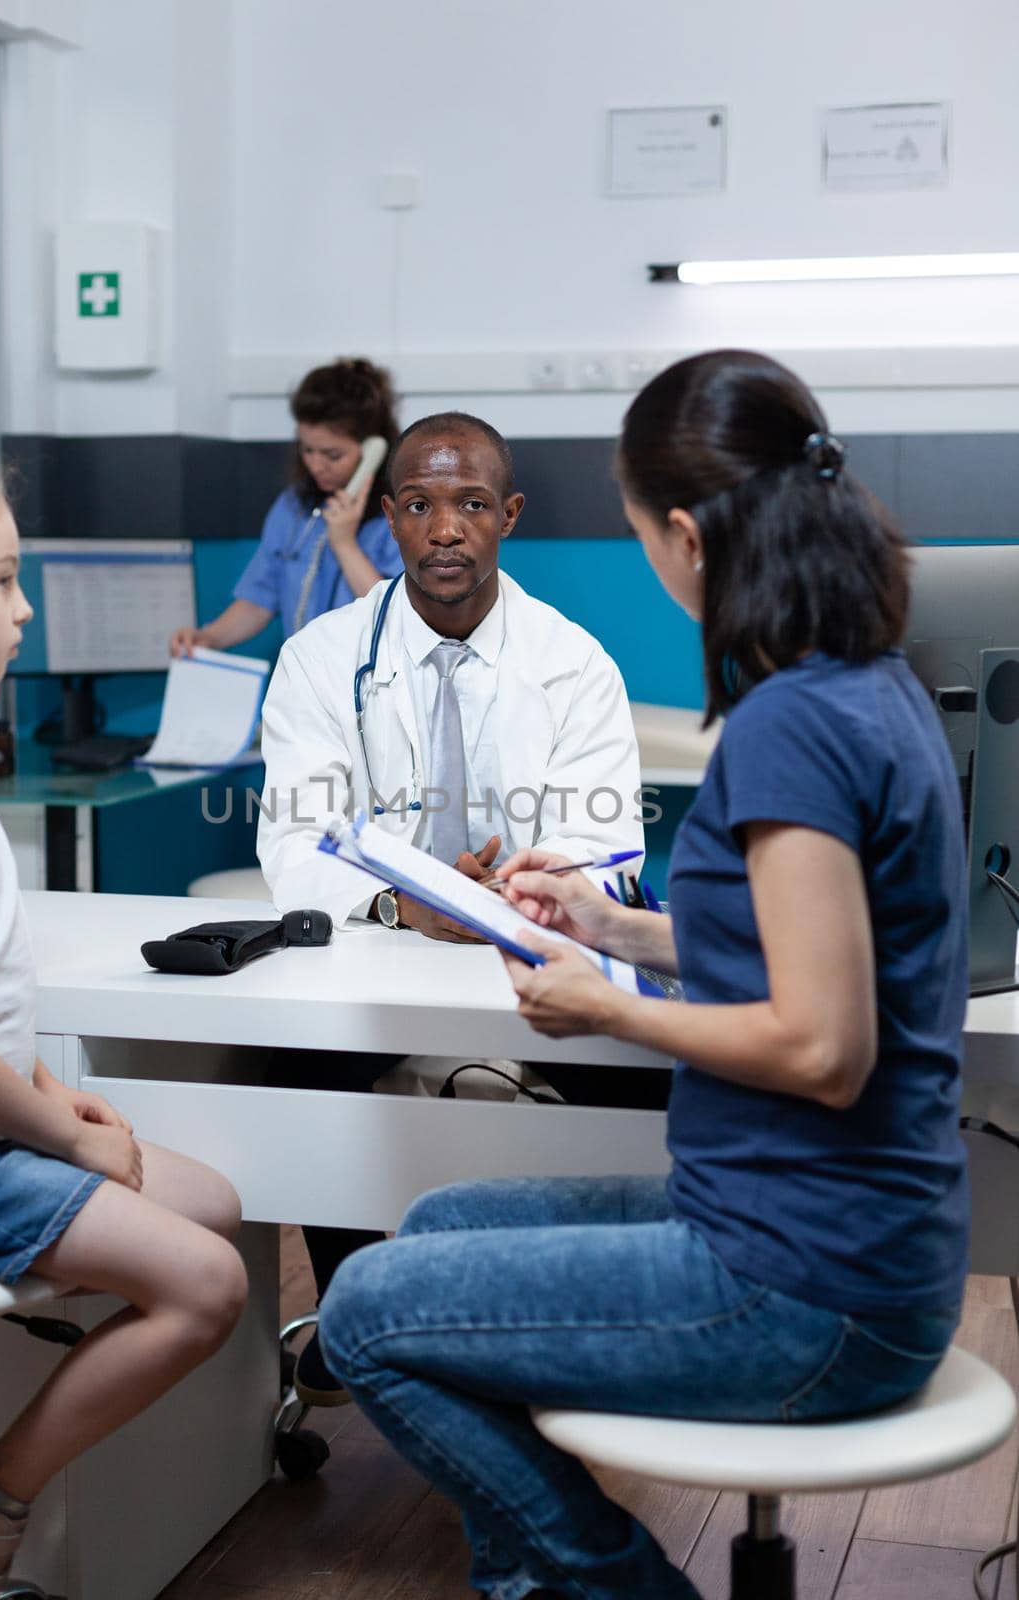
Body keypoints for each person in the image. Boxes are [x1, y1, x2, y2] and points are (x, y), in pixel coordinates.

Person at [316, 350, 970, 1600]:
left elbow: (824, 1047)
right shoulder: (862, 684)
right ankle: (537, 1583)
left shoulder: (790, 722)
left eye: (634, 535)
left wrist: (603, 1010)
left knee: (359, 1316)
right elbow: (803, 946)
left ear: (682, 535)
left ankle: (608, 1588)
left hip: (802, 1282)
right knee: (440, 1222)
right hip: (835, 1235)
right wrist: (609, 931)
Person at [0, 422, 248, 1600]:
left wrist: (43, 1095)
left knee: (212, 1202)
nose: (26, 611)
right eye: (7, 581)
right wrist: (61, 1136)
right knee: (207, 1285)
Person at [257, 411, 644, 1406]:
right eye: (420, 506)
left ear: (506, 515)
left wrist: (512, 893)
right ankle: (351, 1305)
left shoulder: (573, 663)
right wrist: (406, 902)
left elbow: (603, 848)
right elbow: (293, 844)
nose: (443, 530)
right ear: (388, 518)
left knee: (638, 1068)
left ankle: (588, 1320)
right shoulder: (318, 658)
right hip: (381, 943)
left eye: (470, 504)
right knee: (293, 1051)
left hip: (532, 945)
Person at [170, 357, 402, 652]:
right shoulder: (293, 508)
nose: (316, 465)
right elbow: (260, 597)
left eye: (332, 455)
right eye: (307, 450)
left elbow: (394, 618)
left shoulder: (400, 514)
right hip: (307, 682)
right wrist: (210, 637)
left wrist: (344, 544)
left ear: (374, 449)